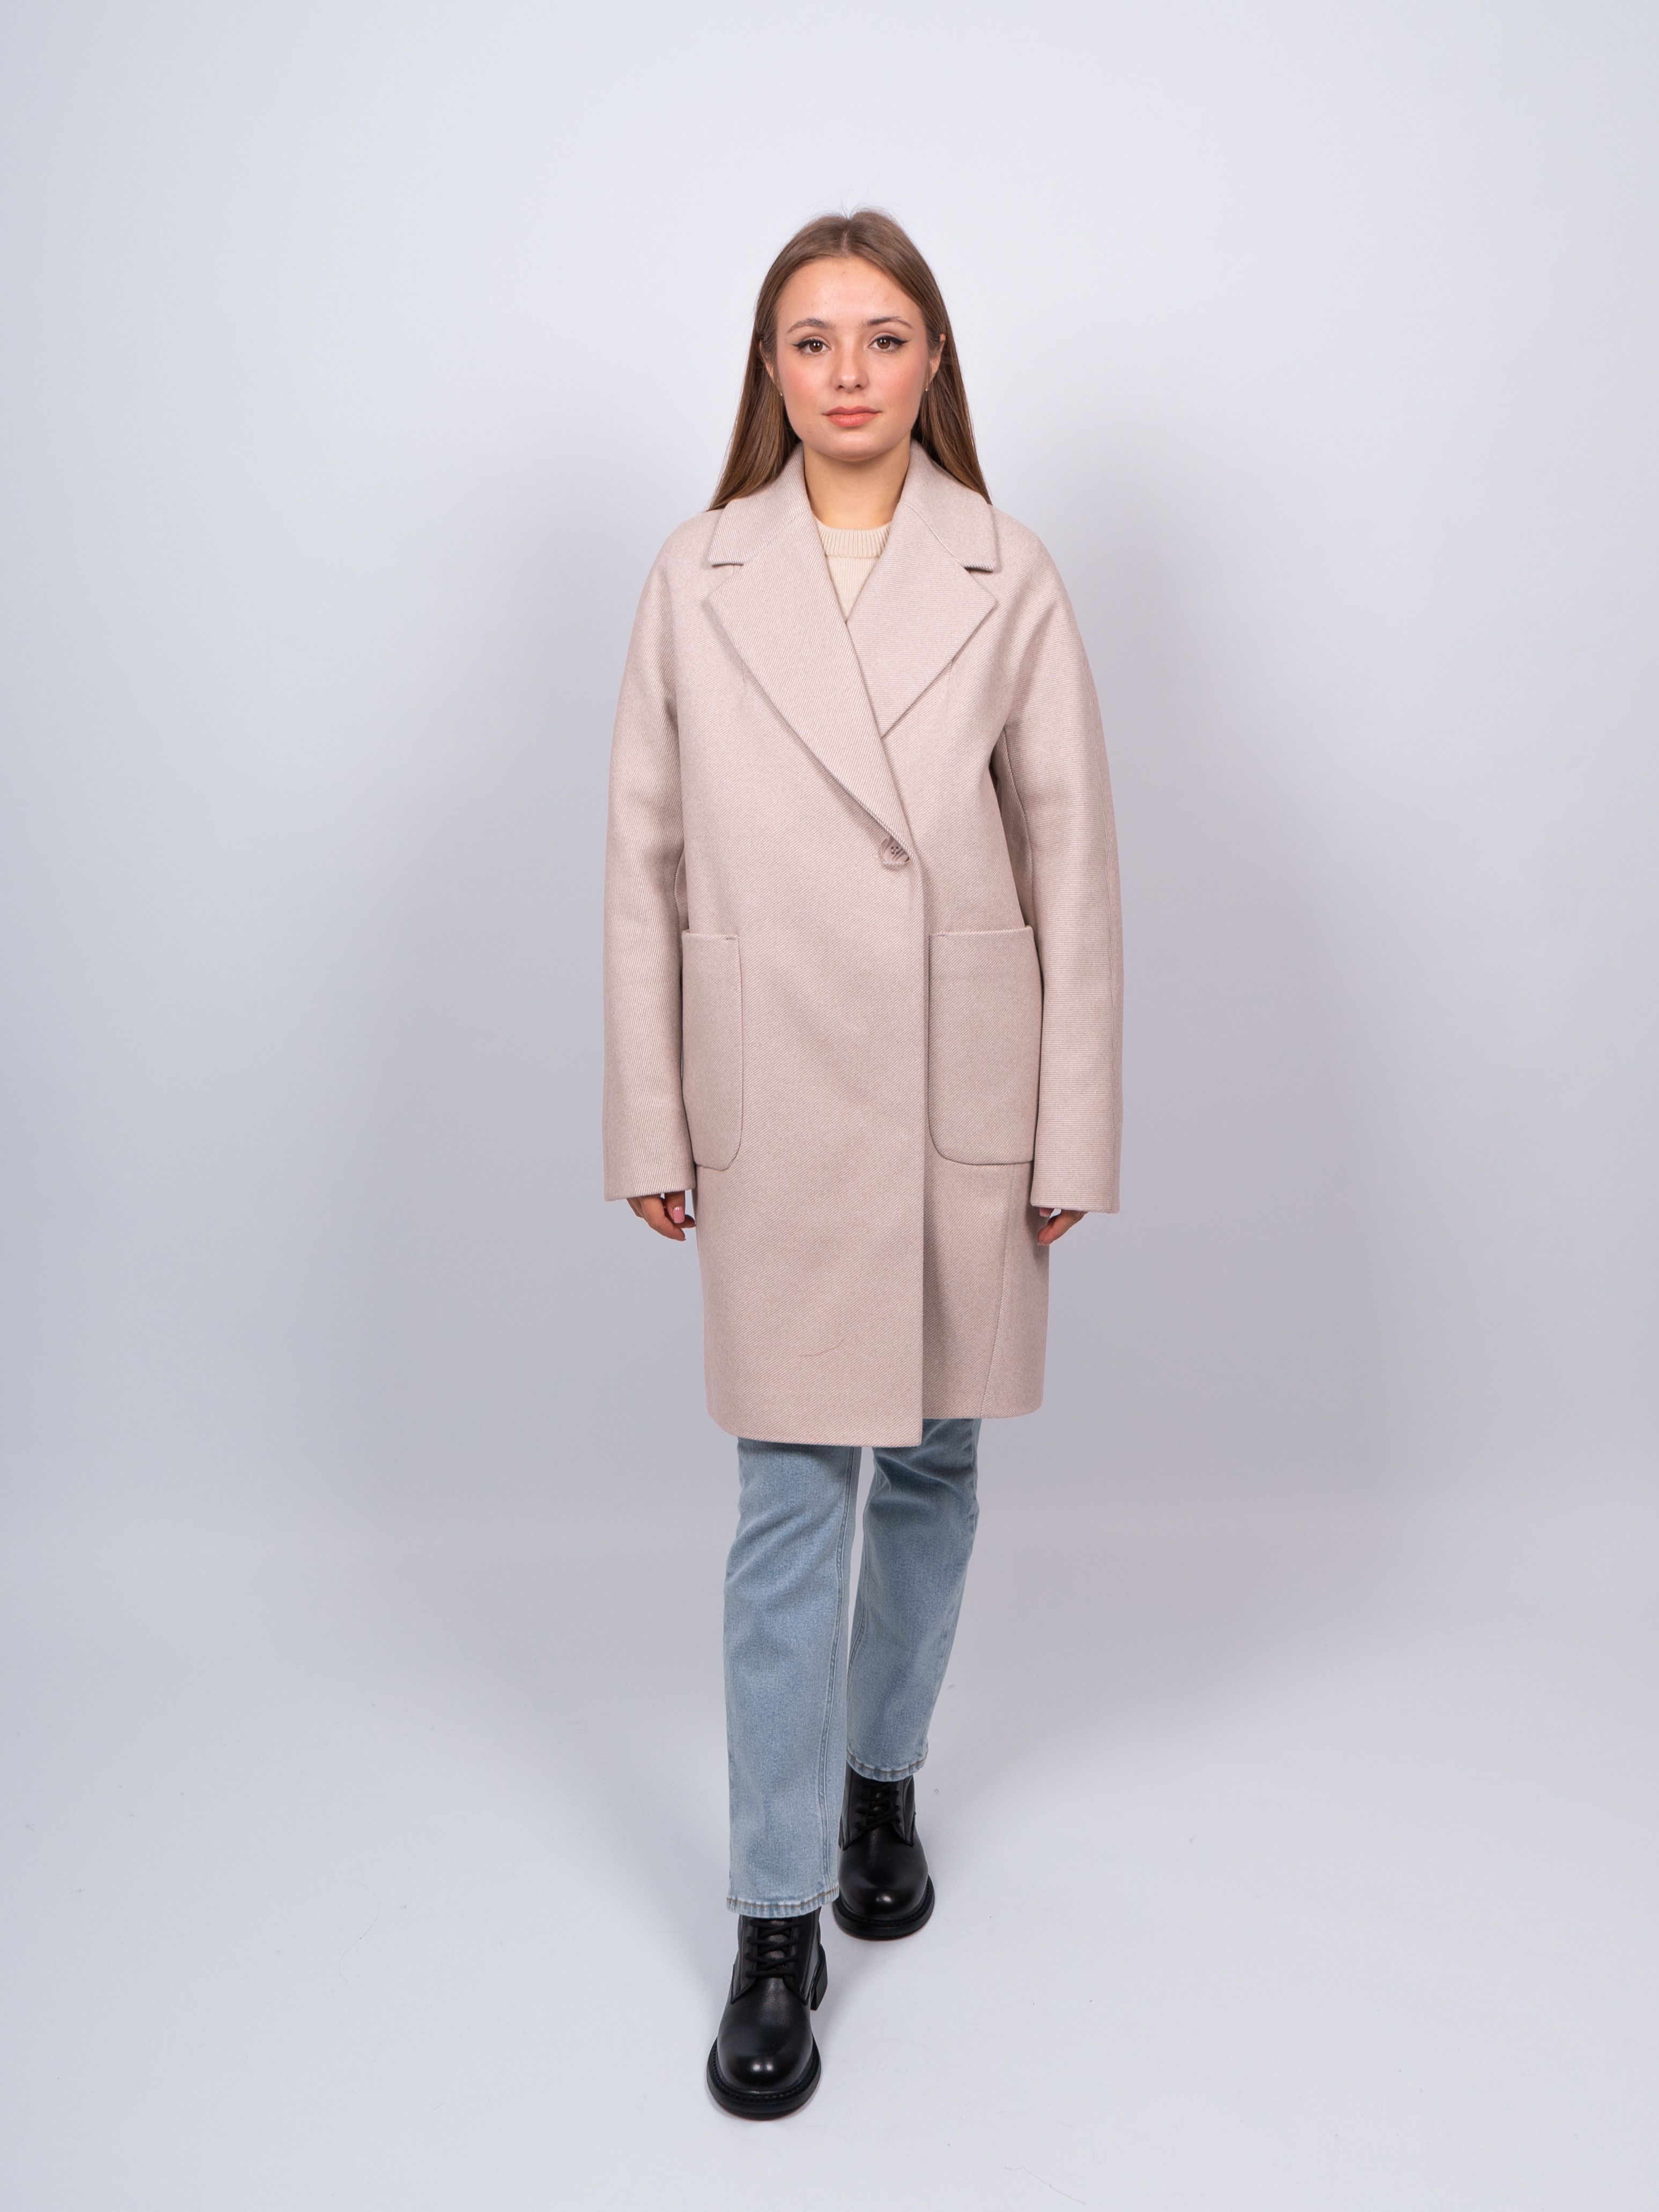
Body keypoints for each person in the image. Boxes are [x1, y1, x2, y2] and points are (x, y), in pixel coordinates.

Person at [602, 210, 1122, 2118]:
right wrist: (651, 1110)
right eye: (812, 339)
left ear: (932, 360)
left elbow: (1072, 861)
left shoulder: (1009, 568)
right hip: (782, 1083)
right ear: (770, 367)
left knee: (937, 1459)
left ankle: (879, 1778)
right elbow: (643, 860)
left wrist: (1072, 1120)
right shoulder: (697, 572)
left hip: (954, 1081)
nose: (847, 372)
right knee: (787, 1498)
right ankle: (772, 1915)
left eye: (882, 337)